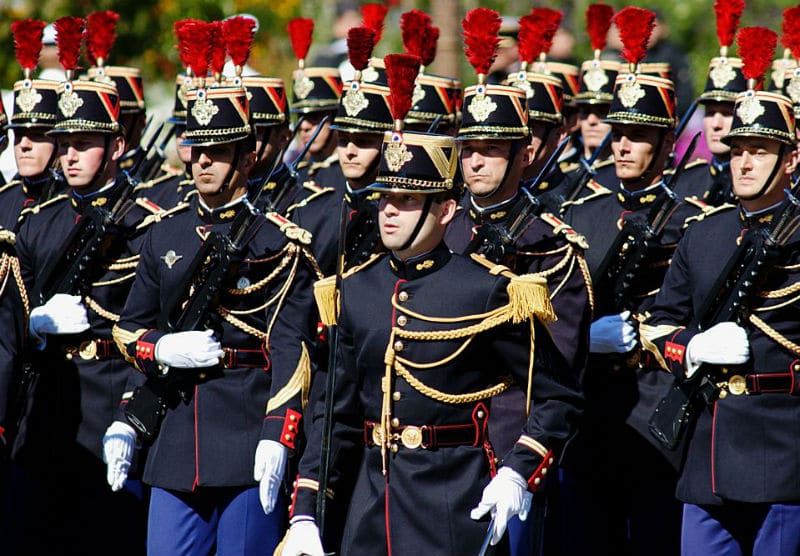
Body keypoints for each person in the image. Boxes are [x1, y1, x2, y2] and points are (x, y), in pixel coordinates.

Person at [279, 50, 583, 556]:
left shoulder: (490, 290)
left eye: (407, 201)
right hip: (370, 509)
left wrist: (516, 471)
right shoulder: (354, 288)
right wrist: (308, 512)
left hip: (455, 502)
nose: (389, 213)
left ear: (445, 210)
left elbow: (557, 397)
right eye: (384, 200)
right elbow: (333, 415)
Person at [111, 84, 318, 555]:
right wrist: (160, 348)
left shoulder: (277, 242)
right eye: (197, 148)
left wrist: (277, 433)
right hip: (176, 441)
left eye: (218, 151)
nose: (203, 161)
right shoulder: (166, 232)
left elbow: (291, 348)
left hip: (247, 438)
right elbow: (128, 327)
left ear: (247, 157)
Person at [641, 49, 800, 555]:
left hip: (785, 447)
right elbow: (659, 324)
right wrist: (692, 348)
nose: (745, 162)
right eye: (737, 150)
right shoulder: (704, 235)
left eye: (760, 149)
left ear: (792, 159)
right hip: (708, 447)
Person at [4, 40, 157, 554]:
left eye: (85, 142)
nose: (69, 154)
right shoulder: (37, 223)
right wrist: (33, 325)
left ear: (116, 145)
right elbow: (9, 328)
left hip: (112, 401)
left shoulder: (146, 223)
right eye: (63, 141)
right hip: (47, 409)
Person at [562, 8, 699, 555]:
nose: (621, 146)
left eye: (638, 136)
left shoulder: (691, 220)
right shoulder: (580, 214)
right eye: (618, 134)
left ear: (665, 146)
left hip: (656, 402)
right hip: (589, 405)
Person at [445, 41, 590, 555]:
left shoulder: (548, 245)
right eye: (469, 148)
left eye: (492, 149)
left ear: (524, 155)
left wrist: (520, 464)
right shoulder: (438, 229)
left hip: (507, 447)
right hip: (434, 452)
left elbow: (557, 375)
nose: (476, 161)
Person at [0, 19, 64, 232]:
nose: (24, 145)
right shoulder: (5, 197)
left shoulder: (68, 202)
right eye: (18, 135)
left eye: (38, 135)